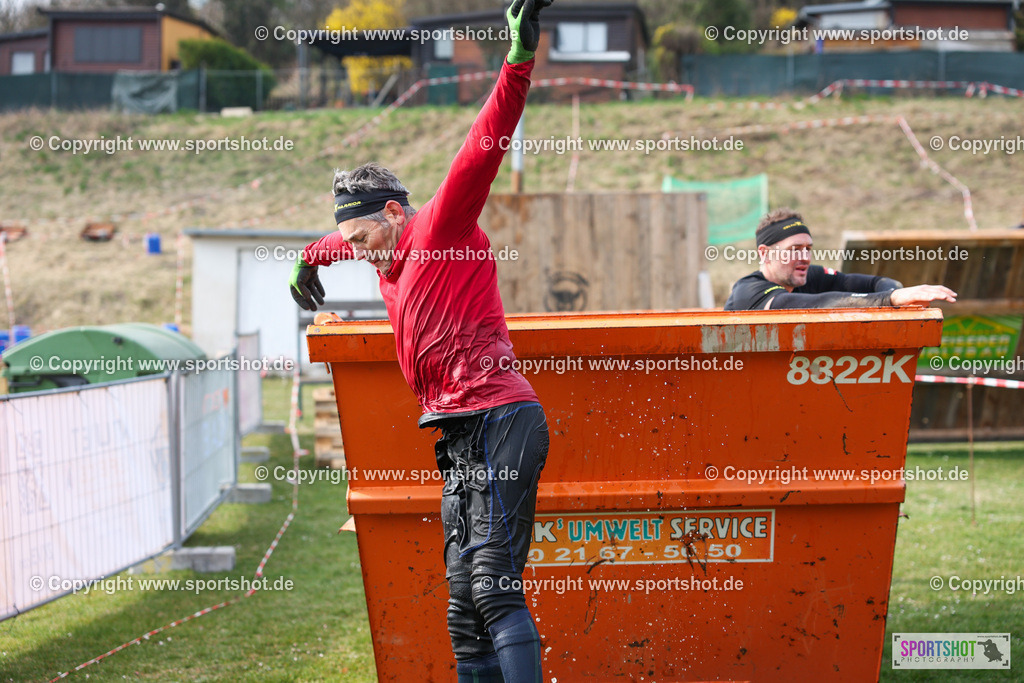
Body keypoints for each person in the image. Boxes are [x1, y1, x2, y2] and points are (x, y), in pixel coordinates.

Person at [288, 2, 553, 681]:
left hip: (500, 416)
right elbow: (336, 241)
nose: (359, 254)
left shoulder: (440, 228)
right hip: (456, 432)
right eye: (350, 245)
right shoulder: (381, 249)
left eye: (362, 239)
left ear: (395, 212)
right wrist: (310, 258)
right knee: (463, 610)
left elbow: (486, 140)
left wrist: (518, 61)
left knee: (493, 586)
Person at [723, 208, 958, 310]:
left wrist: (897, 293)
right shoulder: (749, 290)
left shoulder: (810, 276)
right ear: (765, 253)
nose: (805, 257)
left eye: (808, 248)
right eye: (795, 249)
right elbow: (813, 304)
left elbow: (874, 283)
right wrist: (891, 299)